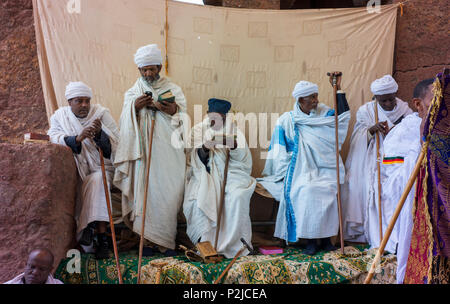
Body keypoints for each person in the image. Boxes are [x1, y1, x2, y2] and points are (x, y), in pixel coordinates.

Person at [257, 74, 351, 255]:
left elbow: (343, 118)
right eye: (312, 98)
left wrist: (338, 89)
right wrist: (283, 172)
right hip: (299, 168)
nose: (316, 101)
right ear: (301, 100)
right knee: (306, 190)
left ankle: (325, 240)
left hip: (325, 166)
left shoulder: (324, 113)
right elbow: (278, 149)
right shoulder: (288, 120)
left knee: (329, 188)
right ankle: (310, 240)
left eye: (316, 96)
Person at [113, 44, 186, 256]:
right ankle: (148, 243)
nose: (148, 73)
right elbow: (125, 121)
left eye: (152, 69)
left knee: (168, 193)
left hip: (169, 152)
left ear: (159, 67)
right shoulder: (132, 92)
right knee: (146, 194)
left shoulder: (174, 89)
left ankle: (165, 242)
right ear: (139, 70)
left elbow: (181, 116)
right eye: (144, 70)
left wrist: (164, 107)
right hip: (143, 153)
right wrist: (135, 107)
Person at [47, 81, 120, 259]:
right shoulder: (60, 116)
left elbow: (117, 144)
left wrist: (100, 134)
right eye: (79, 101)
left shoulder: (101, 114)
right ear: (70, 102)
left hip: (102, 168)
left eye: (87, 101)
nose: (84, 105)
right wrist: (77, 138)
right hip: (76, 169)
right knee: (94, 182)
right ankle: (101, 238)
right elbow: (54, 137)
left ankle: (90, 229)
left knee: (98, 179)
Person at [342, 74, 413, 246]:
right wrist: (371, 130)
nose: (388, 104)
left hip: (396, 163)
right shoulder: (366, 111)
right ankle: (373, 237)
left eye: (391, 100)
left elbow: (411, 135)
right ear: (376, 99)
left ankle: (393, 239)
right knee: (372, 196)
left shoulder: (405, 110)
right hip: (372, 162)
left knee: (393, 198)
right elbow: (356, 140)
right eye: (383, 101)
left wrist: (396, 132)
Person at [183, 99, 256, 258]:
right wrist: (204, 148)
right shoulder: (198, 131)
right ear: (208, 114)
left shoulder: (234, 131)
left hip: (231, 175)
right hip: (204, 174)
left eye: (221, 118)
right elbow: (192, 159)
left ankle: (236, 246)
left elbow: (244, 161)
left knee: (237, 196)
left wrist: (233, 146)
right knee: (200, 198)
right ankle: (208, 246)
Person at [379, 79, 434, 283]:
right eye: (434, 100)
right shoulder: (403, 132)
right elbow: (393, 181)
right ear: (418, 104)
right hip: (417, 207)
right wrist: (418, 151)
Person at [404, 71, 449, 284]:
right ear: (418, 104)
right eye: (435, 101)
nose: (439, 109)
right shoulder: (426, 128)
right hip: (426, 206)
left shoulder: (439, 129)